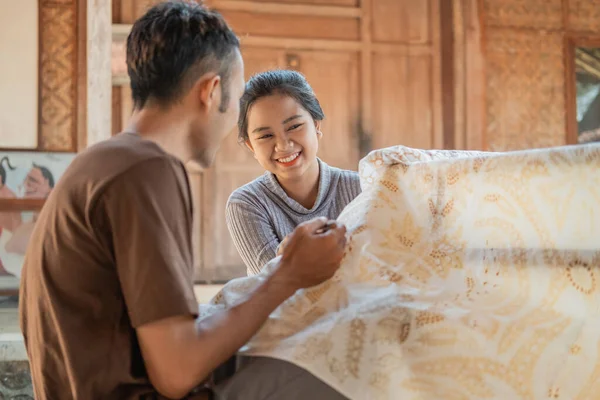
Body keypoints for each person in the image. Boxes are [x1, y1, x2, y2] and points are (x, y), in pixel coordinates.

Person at [19, 2, 348, 400]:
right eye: (236, 98)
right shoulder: (146, 170)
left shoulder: (101, 160)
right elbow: (177, 371)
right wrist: (289, 274)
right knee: (350, 370)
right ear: (211, 91)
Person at [226, 70, 362, 275]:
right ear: (251, 147)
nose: (283, 145)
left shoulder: (361, 188)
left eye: (295, 126)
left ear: (316, 125)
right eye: (266, 136)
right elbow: (274, 284)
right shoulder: (247, 203)